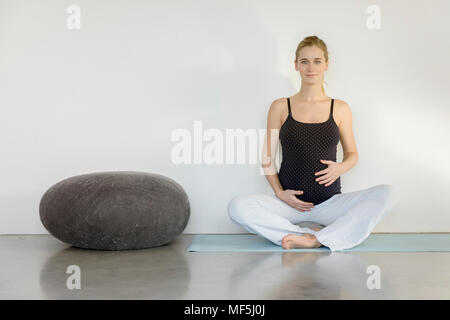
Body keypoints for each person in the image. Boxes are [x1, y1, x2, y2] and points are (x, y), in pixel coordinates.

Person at [227, 35, 397, 251]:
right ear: (296, 65)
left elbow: (352, 153)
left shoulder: (340, 108)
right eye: (304, 61)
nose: (311, 67)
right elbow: (267, 157)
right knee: (237, 207)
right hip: (289, 204)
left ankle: (316, 239)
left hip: (330, 204)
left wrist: (340, 168)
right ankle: (313, 236)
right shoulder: (280, 106)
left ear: (326, 64)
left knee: (388, 193)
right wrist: (280, 193)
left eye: (317, 61)